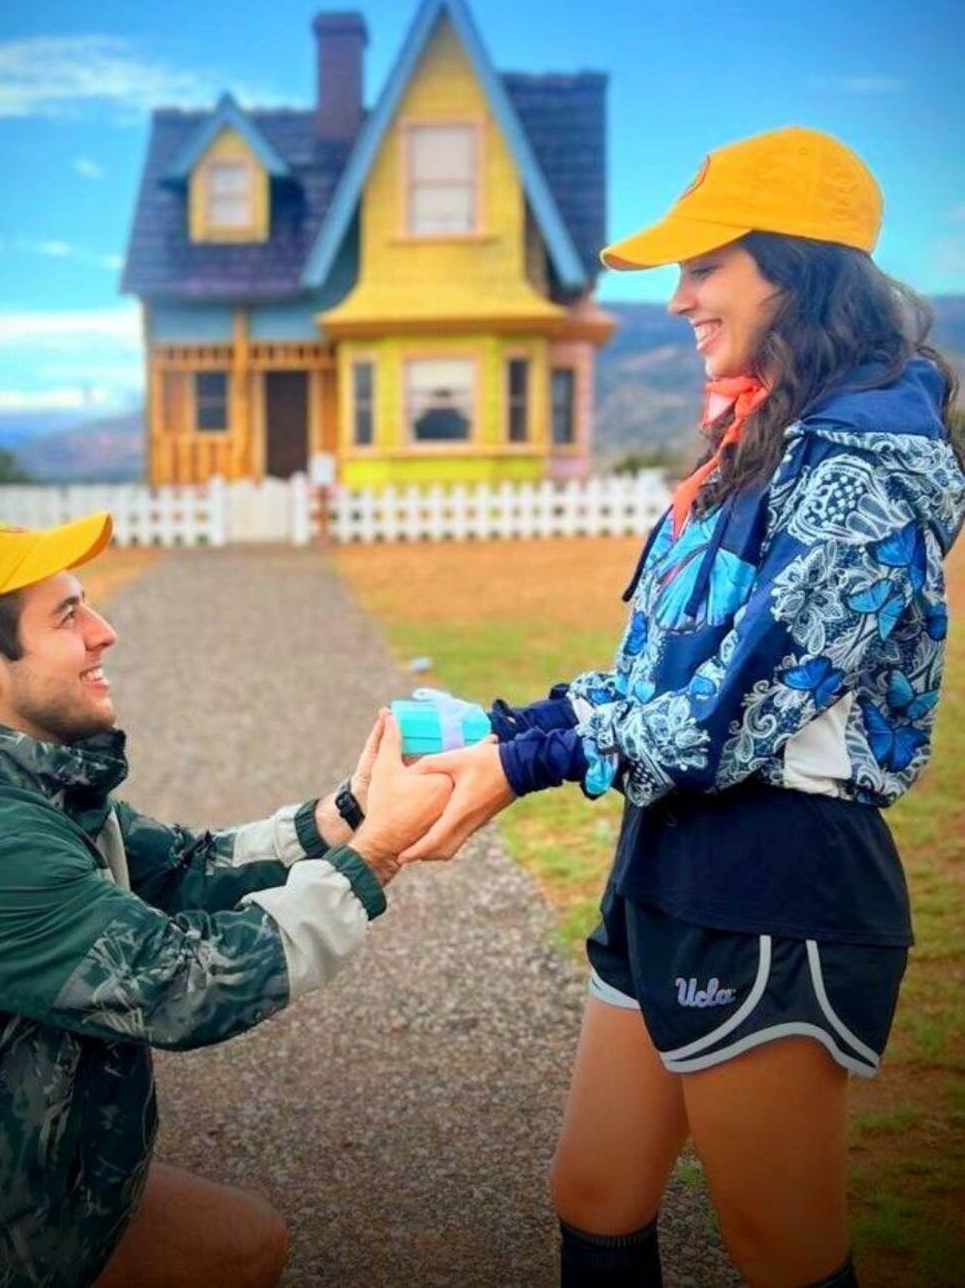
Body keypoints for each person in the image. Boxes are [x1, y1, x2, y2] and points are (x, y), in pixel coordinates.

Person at [400, 127, 965, 1287]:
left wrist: (529, 765)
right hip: (668, 859)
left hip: (776, 879)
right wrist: (510, 730)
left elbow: (723, 725)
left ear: (797, 272)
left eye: (705, 266)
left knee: (780, 1245)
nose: (677, 299)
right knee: (596, 1193)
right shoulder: (761, 445)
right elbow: (656, 677)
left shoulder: (861, 473)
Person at [0, 514, 451, 1288]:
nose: (105, 631)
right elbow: (192, 985)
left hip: (20, 1183)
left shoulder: (16, 782)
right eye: (68, 616)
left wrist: (350, 813)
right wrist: (376, 854)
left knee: (241, 1244)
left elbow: (185, 868)